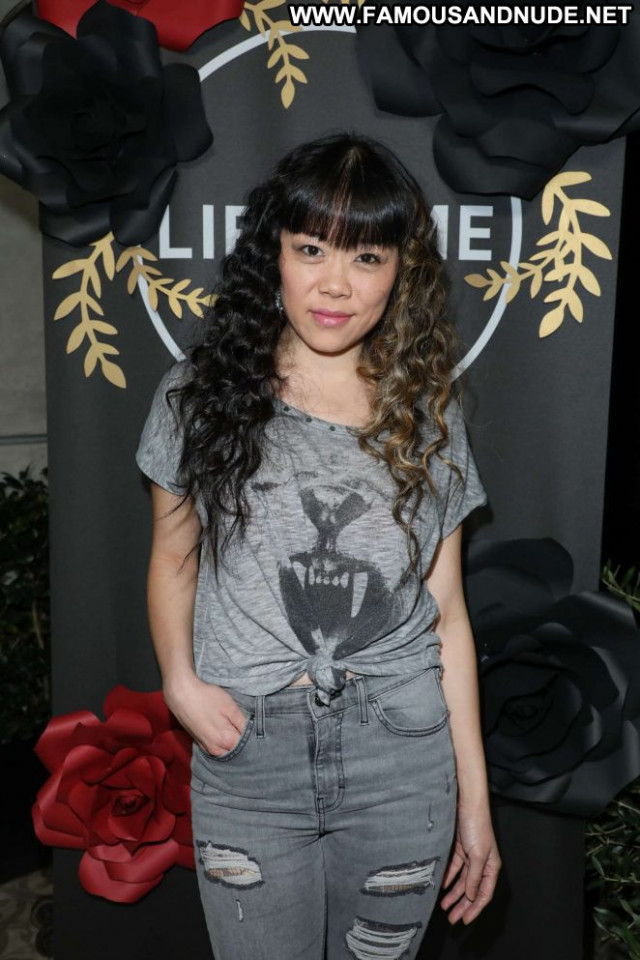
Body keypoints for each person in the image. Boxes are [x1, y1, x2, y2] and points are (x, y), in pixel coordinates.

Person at [135, 131, 501, 960]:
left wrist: (476, 804)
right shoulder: (198, 396)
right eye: (311, 250)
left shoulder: (428, 410)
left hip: (402, 756)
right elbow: (173, 559)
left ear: (400, 270)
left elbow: (447, 611)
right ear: (275, 254)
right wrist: (180, 684)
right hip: (248, 755)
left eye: (366, 257)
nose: (336, 284)